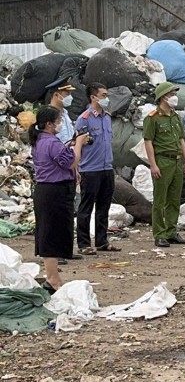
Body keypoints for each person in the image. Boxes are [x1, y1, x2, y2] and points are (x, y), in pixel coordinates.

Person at [29, 106, 90, 293]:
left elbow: (59, 161)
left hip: (46, 190)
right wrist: (78, 144)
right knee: (51, 234)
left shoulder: (41, 140)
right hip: (54, 192)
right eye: (57, 121)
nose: (59, 124)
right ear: (49, 124)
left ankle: (53, 276)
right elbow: (71, 162)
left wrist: (69, 147)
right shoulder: (51, 142)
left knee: (50, 232)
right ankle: (52, 278)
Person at [143, 82, 185, 248]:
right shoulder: (152, 118)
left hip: (177, 160)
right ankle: (159, 234)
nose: (174, 97)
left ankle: (171, 231)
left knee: (174, 198)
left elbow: (181, 140)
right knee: (160, 200)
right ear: (163, 96)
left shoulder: (176, 117)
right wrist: (153, 165)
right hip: (162, 161)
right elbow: (148, 142)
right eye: (171, 94)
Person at [74, 82, 120, 255]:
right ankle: (84, 244)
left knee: (104, 206)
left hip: (106, 168)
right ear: (93, 97)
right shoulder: (84, 119)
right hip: (90, 169)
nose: (106, 99)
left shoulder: (107, 117)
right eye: (103, 95)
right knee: (86, 208)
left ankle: (102, 241)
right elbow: (79, 144)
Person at [45, 75, 81, 265]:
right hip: (56, 169)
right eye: (66, 93)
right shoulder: (48, 116)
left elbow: (71, 141)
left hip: (69, 165)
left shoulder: (64, 115)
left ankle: (66, 249)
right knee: (56, 213)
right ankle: (55, 252)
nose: (69, 96)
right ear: (57, 94)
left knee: (68, 211)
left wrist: (76, 168)